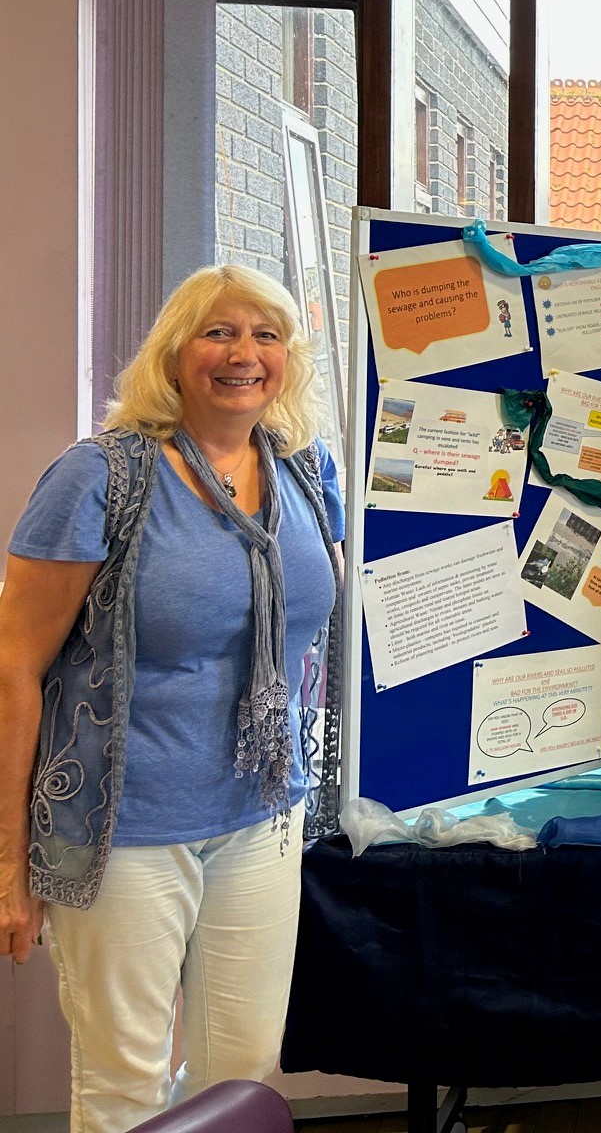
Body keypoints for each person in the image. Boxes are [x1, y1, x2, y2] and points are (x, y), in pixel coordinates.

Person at [0, 266, 343, 1133]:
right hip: (125, 827)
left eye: (266, 336)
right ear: (174, 354)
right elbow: (12, 668)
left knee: (242, 1074)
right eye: (218, 333)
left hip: (263, 812)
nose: (244, 355)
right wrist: (7, 863)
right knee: (125, 1087)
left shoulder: (305, 470)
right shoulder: (99, 478)